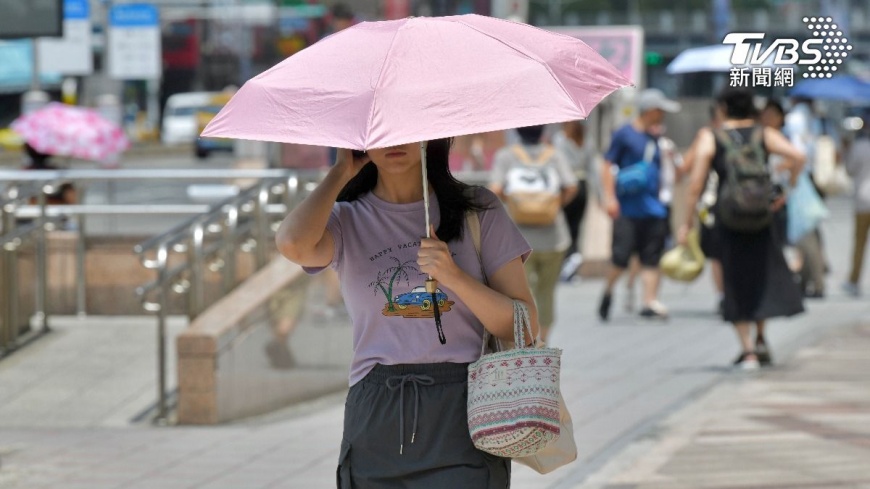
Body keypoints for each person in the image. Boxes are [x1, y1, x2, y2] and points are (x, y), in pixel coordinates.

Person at [276, 138, 537, 487]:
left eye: (405, 128)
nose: (393, 141)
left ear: (431, 133)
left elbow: (525, 325)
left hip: (463, 410)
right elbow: (292, 244)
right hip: (376, 412)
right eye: (380, 131)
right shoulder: (345, 219)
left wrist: (453, 277)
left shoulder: (478, 210)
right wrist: (340, 172)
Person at [680, 88, 805, 370]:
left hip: (729, 218)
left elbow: (695, 184)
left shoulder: (711, 136)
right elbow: (798, 156)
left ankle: (747, 350)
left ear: (723, 108)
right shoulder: (764, 134)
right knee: (761, 276)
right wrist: (786, 188)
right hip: (761, 217)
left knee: (735, 281)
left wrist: (686, 222)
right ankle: (761, 339)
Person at [598, 88, 680, 321]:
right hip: (627, 208)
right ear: (651, 110)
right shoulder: (624, 134)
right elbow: (607, 165)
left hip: (654, 208)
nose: (663, 115)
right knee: (620, 258)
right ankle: (608, 291)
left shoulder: (658, 139)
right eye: (660, 110)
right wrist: (610, 198)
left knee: (652, 257)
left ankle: (649, 302)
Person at [490, 125, 577, 343]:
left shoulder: (506, 156)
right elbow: (572, 186)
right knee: (546, 292)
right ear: (543, 133)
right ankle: (542, 341)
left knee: (520, 294)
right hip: (554, 237)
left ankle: (525, 339)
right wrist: (554, 205)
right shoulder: (555, 155)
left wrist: (514, 204)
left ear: (517, 133)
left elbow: (495, 189)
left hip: (517, 239)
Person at [682, 105, 725, 314]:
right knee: (722, 254)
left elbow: (688, 170)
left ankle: (723, 296)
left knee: (718, 254)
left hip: (713, 206)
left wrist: (687, 220)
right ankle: (726, 295)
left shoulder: (708, 136)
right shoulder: (745, 134)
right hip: (727, 205)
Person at [552, 120, 594, 282]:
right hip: (583, 186)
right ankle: (572, 267)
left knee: (563, 226)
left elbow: (557, 165)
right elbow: (592, 168)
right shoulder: (585, 139)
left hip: (566, 186)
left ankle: (564, 265)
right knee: (576, 228)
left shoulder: (560, 139)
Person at [843, 119, 870, 297]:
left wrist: (846, 149)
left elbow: (850, 170)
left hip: (863, 199)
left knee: (859, 243)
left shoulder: (859, 146)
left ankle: (854, 280)